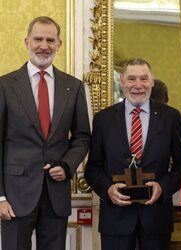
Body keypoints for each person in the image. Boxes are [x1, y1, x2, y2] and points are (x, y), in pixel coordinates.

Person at [0, 16, 91, 250]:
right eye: (38, 39)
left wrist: (67, 165)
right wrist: (0, 197)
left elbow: (82, 137)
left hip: (55, 196)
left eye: (50, 40)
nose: (44, 45)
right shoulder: (5, 85)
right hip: (14, 195)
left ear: (59, 45)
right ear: (26, 42)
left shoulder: (74, 86)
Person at [85, 58, 181, 250]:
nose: (138, 85)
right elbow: (93, 168)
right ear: (122, 81)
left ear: (152, 81)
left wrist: (163, 187)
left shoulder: (170, 117)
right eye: (131, 79)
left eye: (143, 78)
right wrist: (107, 189)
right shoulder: (103, 119)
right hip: (115, 218)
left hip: (156, 217)